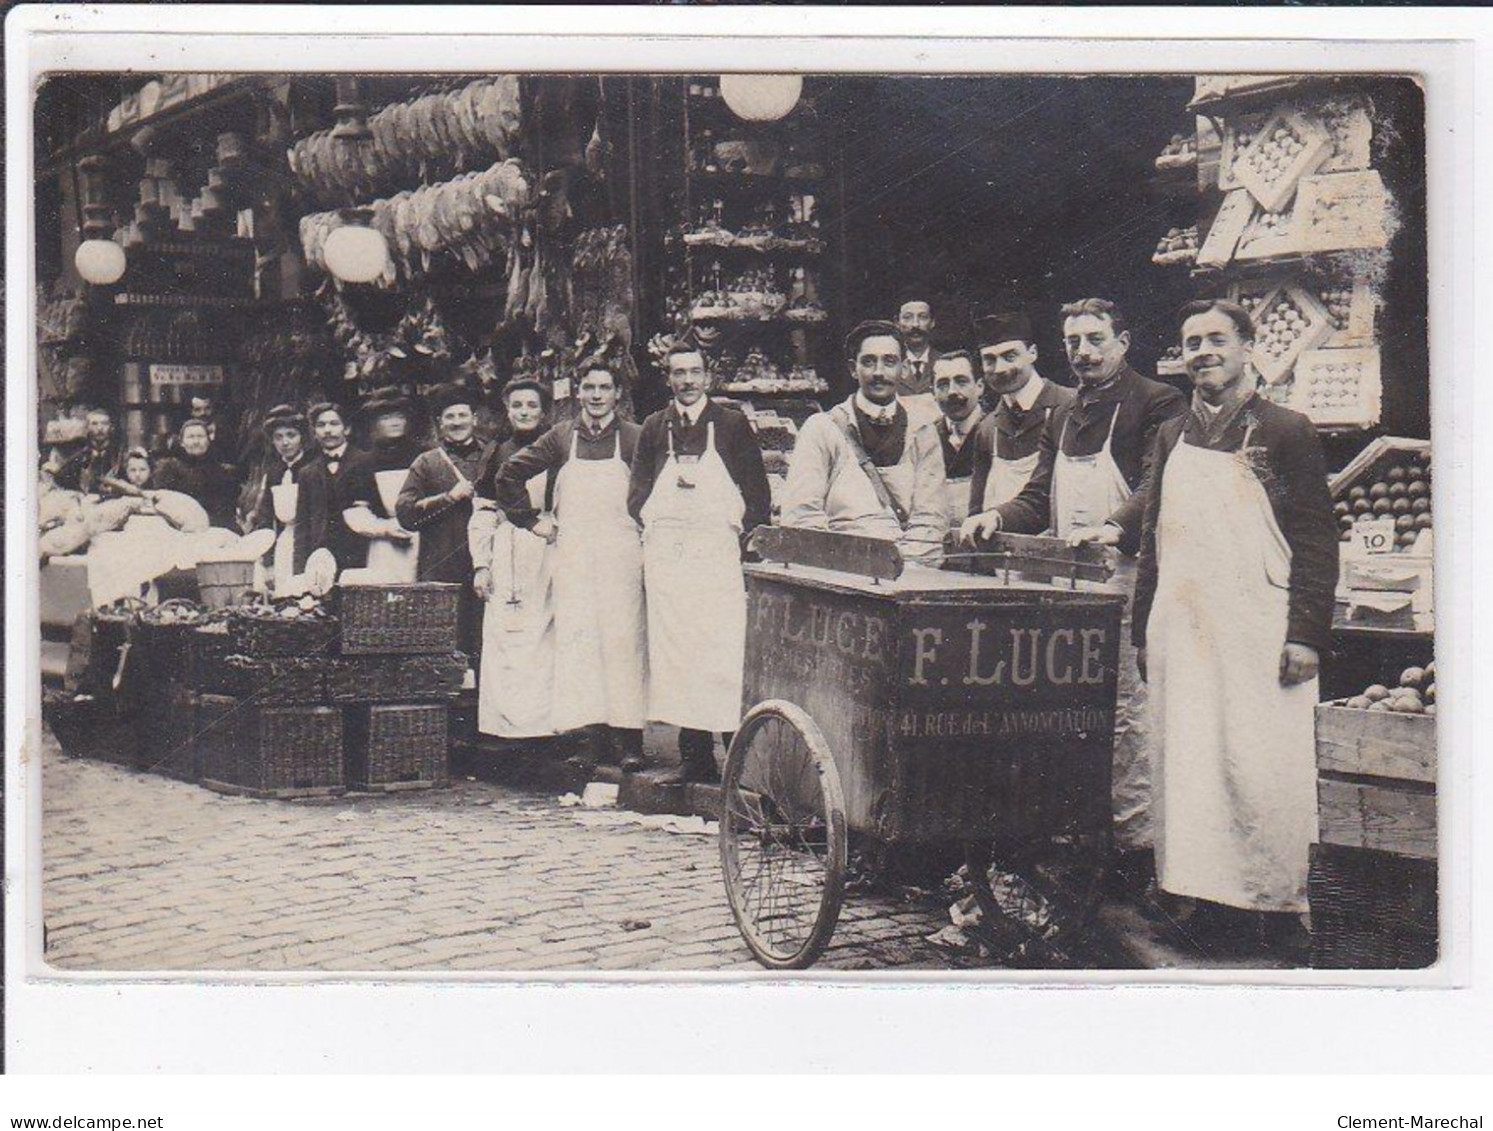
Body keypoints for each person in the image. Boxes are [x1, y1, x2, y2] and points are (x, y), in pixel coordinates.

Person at [1132, 300, 1338, 956]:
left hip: (1258, 629)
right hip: (1184, 630)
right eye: (1190, 341)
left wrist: (1305, 631)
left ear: (1247, 347)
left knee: (1261, 766)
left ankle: (1276, 910)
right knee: (1190, 767)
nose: (1201, 351)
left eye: (1216, 339)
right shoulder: (1171, 434)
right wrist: (1144, 627)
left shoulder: (1286, 430)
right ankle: (1206, 905)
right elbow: (1151, 536)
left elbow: (1314, 537)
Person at [960, 298, 1186, 885]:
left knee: (1130, 714)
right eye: (1074, 343)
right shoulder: (1064, 414)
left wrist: (1115, 526)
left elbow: (1156, 485)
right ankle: (1086, 838)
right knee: (1073, 711)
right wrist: (998, 517)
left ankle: (1139, 852)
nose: (1083, 353)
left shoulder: (1157, 402)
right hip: (1072, 586)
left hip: (1133, 579)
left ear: (1123, 341)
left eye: (1094, 340)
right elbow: (1039, 496)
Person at [629, 343, 772, 785]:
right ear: (668, 379)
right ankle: (694, 758)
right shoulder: (655, 427)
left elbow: (757, 492)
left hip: (716, 560)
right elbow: (637, 494)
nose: (687, 381)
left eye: (694, 372)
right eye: (678, 373)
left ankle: (738, 756)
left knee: (724, 652)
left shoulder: (730, 424)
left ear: (708, 377)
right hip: (671, 562)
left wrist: (745, 537)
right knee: (680, 655)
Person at [494, 365, 647, 770]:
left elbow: (654, 489)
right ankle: (587, 739)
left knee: (623, 640)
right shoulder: (562, 436)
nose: (596, 395)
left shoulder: (633, 436)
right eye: (589, 388)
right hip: (574, 551)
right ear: (578, 393)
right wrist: (530, 520)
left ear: (617, 394)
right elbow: (508, 474)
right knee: (578, 639)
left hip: (622, 552)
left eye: (604, 388)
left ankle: (629, 740)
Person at [781, 320, 948, 565]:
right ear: (853, 369)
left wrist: (905, 569)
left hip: (907, 570)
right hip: (838, 569)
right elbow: (801, 515)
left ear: (903, 369)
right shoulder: (823, 428)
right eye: (869, 362)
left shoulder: (922, 432)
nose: (878, 372)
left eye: (889, 361)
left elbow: (931, 519)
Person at [470, 378, 556, 741]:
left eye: (532, 405)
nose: (524, 412)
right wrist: (482, 564)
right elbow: (483, 512)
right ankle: (504, 731)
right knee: (507, 637)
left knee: (546, 636)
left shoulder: (556, 448)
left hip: (548, 546)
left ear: (543, 410)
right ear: (508, 410)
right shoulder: (496, 452)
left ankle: (548, 729)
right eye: (517, 405)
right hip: (507, 549)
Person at [396, 383, 488, 658]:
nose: (457, 422)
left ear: (475, 418)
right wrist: (448, 497)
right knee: (442, 644)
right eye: (450, 417)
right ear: (440, 423)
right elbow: (405, 513)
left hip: (485, 561)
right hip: (441, 562)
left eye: (463, 415)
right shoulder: (427, 462)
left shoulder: (492, 456)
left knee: (487, 640)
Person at [964, 311, 1076, 516]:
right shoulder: (987, 428)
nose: (999, 369)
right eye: (989, 359)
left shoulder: (1069, 406)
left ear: (1032, 353)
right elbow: (976, 510)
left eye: (1010, 356)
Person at [343, 387, 424, 585]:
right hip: (385, 546)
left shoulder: (424, 456)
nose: (395, 422)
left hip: (425, 543)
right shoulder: (364, 464)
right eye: (387, 417)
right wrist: (386, 529)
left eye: (399, 416)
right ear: (375, 422)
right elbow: (356, 512)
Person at [293, 402, 365, 575]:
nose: (327, 430)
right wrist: (300, 572)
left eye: (334, 424)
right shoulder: (307, 473)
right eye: (321, 425)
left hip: (359, 555)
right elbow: (302, 526)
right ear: (314, 433)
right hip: (321, 559)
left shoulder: (365, 462)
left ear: (346, 429)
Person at [929, 351, 985, 527]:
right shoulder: (926, 437)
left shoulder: (996, 430)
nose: (952, 391)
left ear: (980, 386)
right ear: (933, 393)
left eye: (961, 382)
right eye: (943, 384)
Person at [152, 419, 239, 529]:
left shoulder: (222, 472)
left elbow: (226, 511)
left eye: (200, 436)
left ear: (208, 440)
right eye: (191, 437)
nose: (196, 442)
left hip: (214, 529)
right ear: (182, 442)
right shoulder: (169, 469)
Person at [895, 299, 942, 429]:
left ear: (932, 322)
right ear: (897, 322)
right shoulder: (888, 365)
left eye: (922, 317)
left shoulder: (945, 363)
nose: (915, 324)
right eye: (907, 318)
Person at [53, 408, 121, 494]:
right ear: (87, 428)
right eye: (94, 424)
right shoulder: (80, 457)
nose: (100, 428)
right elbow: (60, 479)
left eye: (104, 423)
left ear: (112, 427)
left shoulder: (118, 457)